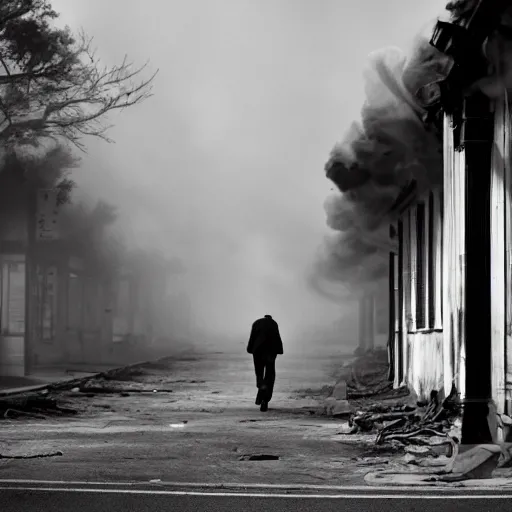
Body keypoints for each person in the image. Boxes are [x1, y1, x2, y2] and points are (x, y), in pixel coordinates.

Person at [246, 314, 283, 412]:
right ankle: (265, 399)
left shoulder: (257, 322)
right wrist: (279, 350)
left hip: (257, 350)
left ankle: (261, 388)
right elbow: (277, 336)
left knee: (259, 372)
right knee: (270, 373)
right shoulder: (273, 323)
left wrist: (250, 349)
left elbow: (252, 337)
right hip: (270, 351)